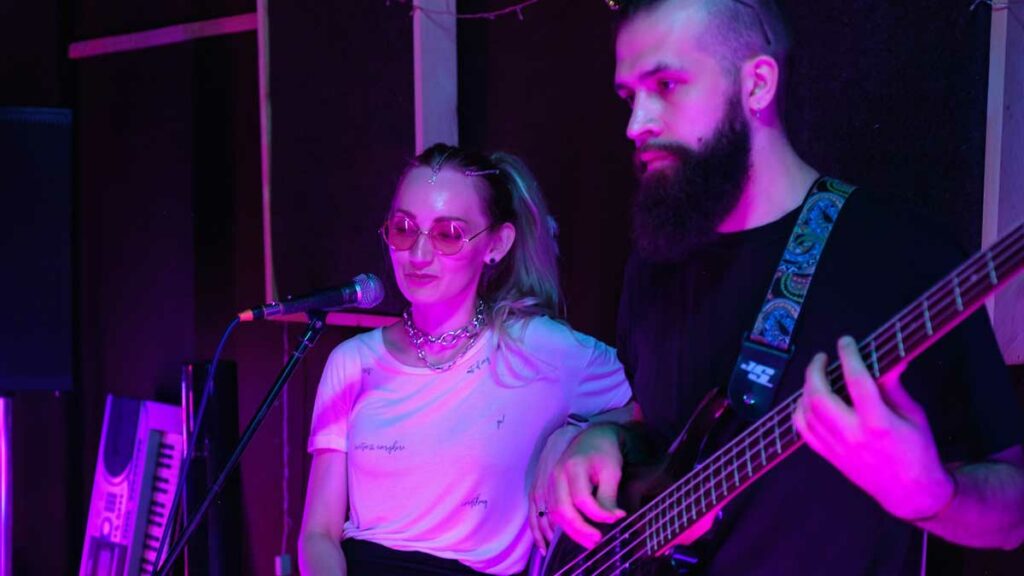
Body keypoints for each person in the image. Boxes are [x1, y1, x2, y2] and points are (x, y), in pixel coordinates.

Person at [542, 0, 1024, 573]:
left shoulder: (903, 255)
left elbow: (1014, 510)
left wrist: (936, 498)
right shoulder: (656, 262)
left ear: (758, 85)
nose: (635, 124)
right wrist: (604, 436)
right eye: (630, 97)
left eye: (666, 85)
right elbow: (655, 418)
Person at [297, 143, 635, 576]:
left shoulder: (539, 350)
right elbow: (318, 534)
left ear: (496, 244)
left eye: (448, 234)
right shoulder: (351, 362)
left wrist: (579, 433)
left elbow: (652, 408)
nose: (418, 255)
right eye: (403, 229)